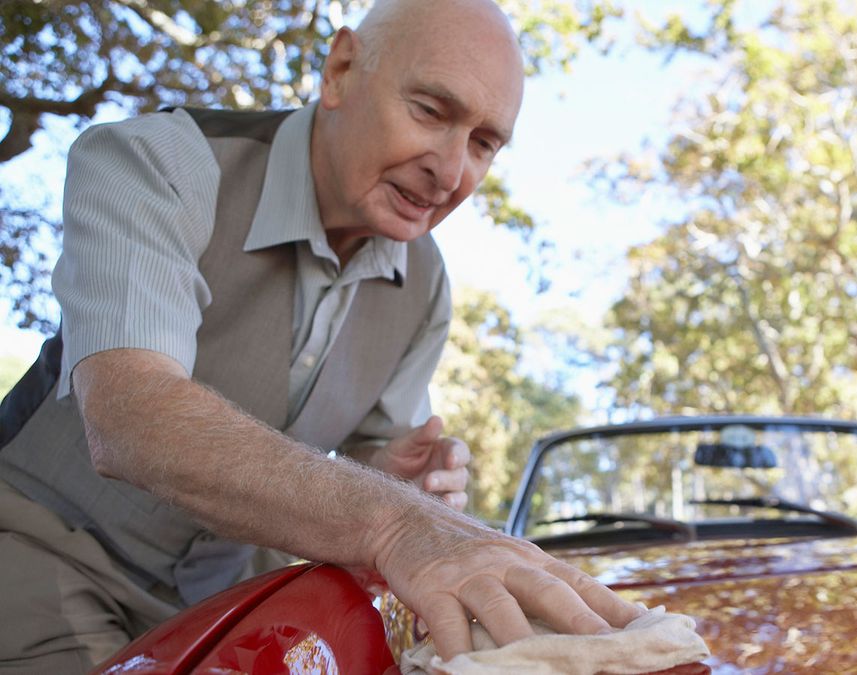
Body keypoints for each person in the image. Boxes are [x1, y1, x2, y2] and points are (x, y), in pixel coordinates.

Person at [0, 0, 644, 671]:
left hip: (232, 606)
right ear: (338, 71)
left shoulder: (424, 281)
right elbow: (129, 412)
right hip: (38, 551)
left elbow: (372, 465)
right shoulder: (158, 162)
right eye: (429, 110)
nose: (452, 175)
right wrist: (398, 520)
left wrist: (401, 479)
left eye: (483, 144)